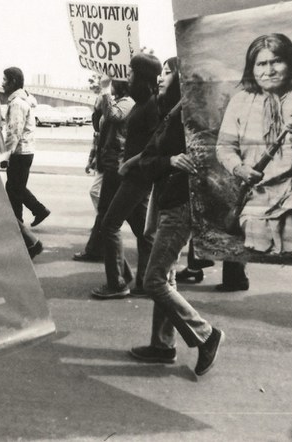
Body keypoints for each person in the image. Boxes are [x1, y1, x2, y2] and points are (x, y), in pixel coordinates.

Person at [128, 62, 224, 375]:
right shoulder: (175, 113)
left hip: (180, 205)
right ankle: (162, 345)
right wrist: (165, 160)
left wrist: (166, 161)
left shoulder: (196, 120)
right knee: (165, 277)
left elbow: (166, 160)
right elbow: (152, 158)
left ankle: (205, 335)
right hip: (170, 200)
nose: (163, 77)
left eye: (169, 71)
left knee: (153, 280)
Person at [216, 33, 292, 268]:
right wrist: (240, 168)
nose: (269, 70)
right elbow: (225, 147)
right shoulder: (240, 101)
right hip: (258, 186)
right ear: (252, 69)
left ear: (291, 63)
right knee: (257, 238)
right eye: (261, 63)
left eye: (276, 61)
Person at [91, 53, 161, 299]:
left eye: (131, 73)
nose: (128, 77)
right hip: (133, 174)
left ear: (140, 77)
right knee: (143, 232)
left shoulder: (152, 105)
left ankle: (117, 284)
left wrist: (127, 163)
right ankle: (146, 280)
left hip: (137, 176)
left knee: (109, 225)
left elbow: (154, 147)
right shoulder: (143, 102)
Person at [2, 66, 50, 227]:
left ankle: (18, 225)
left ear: (13, 82)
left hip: (19, 151)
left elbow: (14, 130)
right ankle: (38, 210)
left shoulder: (17, 103)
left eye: (4, 80)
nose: (2, 84)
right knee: (15, 187)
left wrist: (6, 155)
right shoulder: (22, 101)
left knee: (14, 190)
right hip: (25, 151)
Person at [72, 75, 113, 262]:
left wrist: (105, 93)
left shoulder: (121, 104)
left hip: (113, 162)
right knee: (103, 203)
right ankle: (101, 236)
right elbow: (98, 134)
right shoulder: (104, 107)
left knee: (100, 198)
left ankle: (106, 227)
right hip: (105, 160)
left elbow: (109, 122)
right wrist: (91, 160)